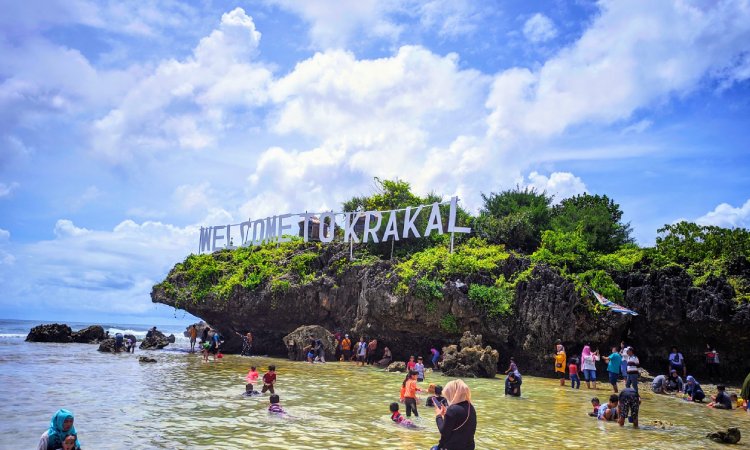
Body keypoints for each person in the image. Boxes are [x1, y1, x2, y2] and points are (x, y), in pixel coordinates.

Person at [431, 379, 476, 450]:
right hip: (469, 447)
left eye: (448, 395)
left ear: (453, 393)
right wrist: (447, 414)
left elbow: (443, 432)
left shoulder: (452, 409)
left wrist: (438, 415)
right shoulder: (471, 407)